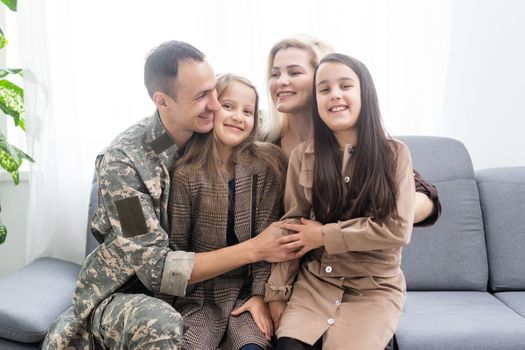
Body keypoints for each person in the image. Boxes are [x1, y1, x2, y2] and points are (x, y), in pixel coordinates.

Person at [43, 41, 295, 350]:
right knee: (161, 322)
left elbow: (267, 128)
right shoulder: (124, 167)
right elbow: (158, 270)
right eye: (202, 96)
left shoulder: (205, 132)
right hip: (127, 293)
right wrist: (256, 248)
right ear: (163, 101)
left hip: (203, 294)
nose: (216, 105)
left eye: (214, 90)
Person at [265, 53, 416, 349]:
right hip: (316, 285)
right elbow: (292, 226)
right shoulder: (302, 156)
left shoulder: (395, 154)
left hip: (374, 289)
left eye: (345, 86)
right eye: (324, 89)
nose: (334, 95)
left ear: (365, 94)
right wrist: (277, 293)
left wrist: (322, 234)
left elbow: (397, 229)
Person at [262, 35, 439, 225]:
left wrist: (370, 225)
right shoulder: (262, 142)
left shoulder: (355, 141)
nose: (281, 82)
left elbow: (428, 201)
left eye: (294, 73)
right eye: (275, 74)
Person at [169, 73, 286, 350]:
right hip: (200, 296)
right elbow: (177, 253)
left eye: (248, 111)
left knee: (253, 345)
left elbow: (267, 244)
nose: (238, 117)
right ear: (211, 108)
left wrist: (259, 295)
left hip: (246, 292)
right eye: (229, 106)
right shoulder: (186, 174)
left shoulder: (265, 168)